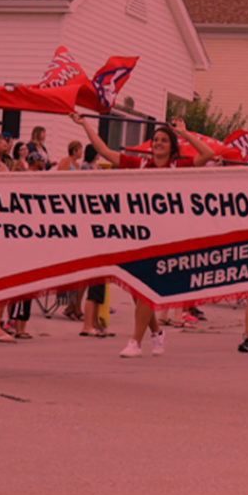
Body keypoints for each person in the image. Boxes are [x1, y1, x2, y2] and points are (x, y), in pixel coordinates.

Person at [71, 112, 215, 357]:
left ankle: (135, 341)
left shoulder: (177, 166)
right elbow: (105, 151)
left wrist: (183, 133)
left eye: (163, 140)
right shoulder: (139, 164)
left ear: (171, 147)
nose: (158, 143)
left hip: (167, 236)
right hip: (138, 234)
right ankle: (157, 332)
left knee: (147, 288)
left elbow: (208, 155)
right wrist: (84, 124)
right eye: (155, 140)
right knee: (137, 292)